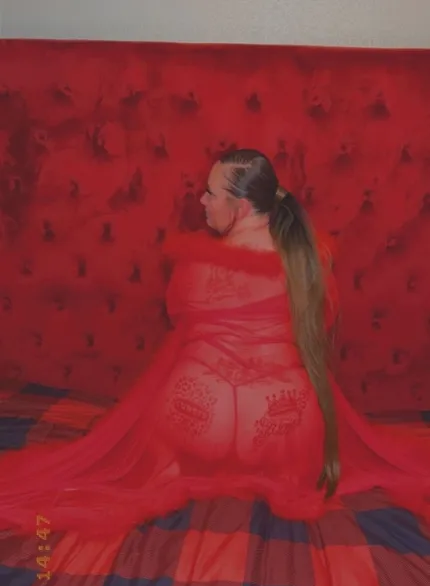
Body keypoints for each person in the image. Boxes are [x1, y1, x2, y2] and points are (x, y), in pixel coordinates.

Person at [0, 148, 429, 540]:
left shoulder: (192, 264)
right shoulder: (308, 261)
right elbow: (318, 327)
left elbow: (180, 321)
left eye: (210, 193)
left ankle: (170, 467)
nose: (202, 201)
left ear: (239, 207)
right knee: (304, 426)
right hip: (282, 429)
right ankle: (280, 470)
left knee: (152, 436)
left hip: (195, 421)